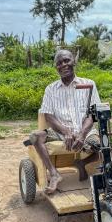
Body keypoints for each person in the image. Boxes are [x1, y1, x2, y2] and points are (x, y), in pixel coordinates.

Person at [30, 49, 101, 194]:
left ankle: (82, 163)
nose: (63, 65)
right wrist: (66, 131)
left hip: (85, 132)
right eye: (59, 63)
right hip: (60, 132)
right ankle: (54, 174)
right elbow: (48, 116)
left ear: (73, 61)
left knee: (102, 146)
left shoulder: (88, 84)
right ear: (56, 67)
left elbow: (92, 115)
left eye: (67, 60)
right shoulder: (51, 89)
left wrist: (81, 135)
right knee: (35, 137)